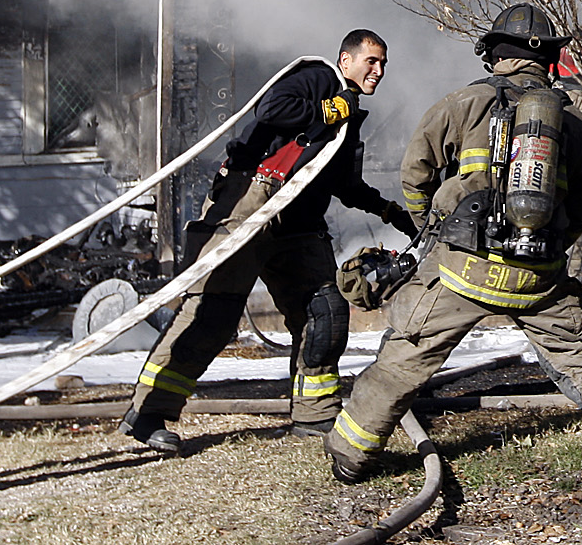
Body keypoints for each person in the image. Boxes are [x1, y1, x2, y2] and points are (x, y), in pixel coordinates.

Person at [324, 4, 582, 481]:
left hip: (461, 268)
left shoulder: (462, 103)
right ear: (548, 61)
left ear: (493, 56)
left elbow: (416, 171)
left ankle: (350, 453)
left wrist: (431, 225)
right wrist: (551, 245)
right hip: (539, 273)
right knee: (573, 350)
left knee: (404, 356)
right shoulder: (575, 123)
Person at [120, 29, 413, 455]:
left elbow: (344, 185)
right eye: (371, 61)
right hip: (250, 204)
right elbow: (271, 108)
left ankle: (315, 416)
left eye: (383, 63)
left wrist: (391, 211)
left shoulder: (350, 119)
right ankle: (148, 415)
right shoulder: (317, 76)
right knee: (213, 314)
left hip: (299, 225)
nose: (378, 70)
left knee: (324, 313)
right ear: (345, 60)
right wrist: (331, 107)